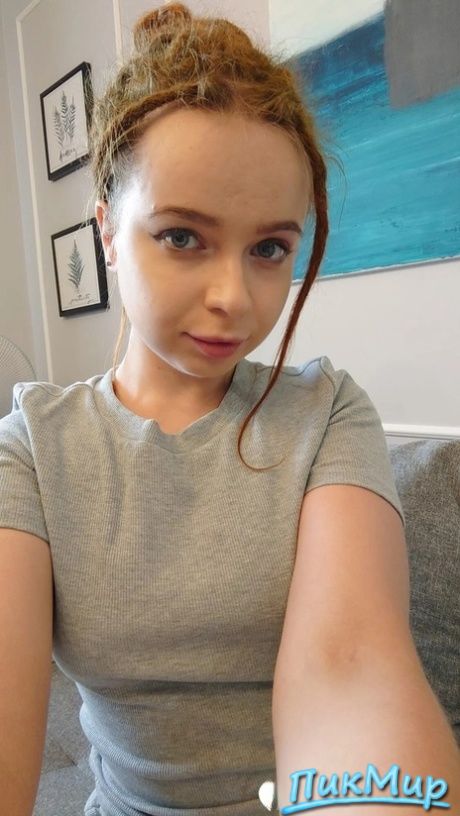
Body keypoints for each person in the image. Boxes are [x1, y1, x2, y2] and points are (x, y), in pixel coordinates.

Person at [0, 4, 459, 816]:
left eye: (269, 249)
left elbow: (352, 667)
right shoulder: (34, 447)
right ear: (107, 232)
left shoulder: (326, 413)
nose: (234, 299)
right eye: (182, 237)